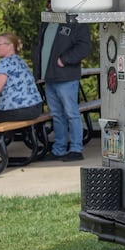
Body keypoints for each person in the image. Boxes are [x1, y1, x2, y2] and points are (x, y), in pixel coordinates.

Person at [0, 32, 44, 171]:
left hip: (20, 111)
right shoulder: (20, 61)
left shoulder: (4, 63)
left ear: (10, 46)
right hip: (35, 108)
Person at [35, 16, 93, 162]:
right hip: (49, 77)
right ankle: (59, 149)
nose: (50, 5)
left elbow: (84, 46)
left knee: (71, 113)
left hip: (67, 77)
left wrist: (64, 59)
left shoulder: (75, 21)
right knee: (57, 115)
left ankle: (76, 149)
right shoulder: (47, 21)